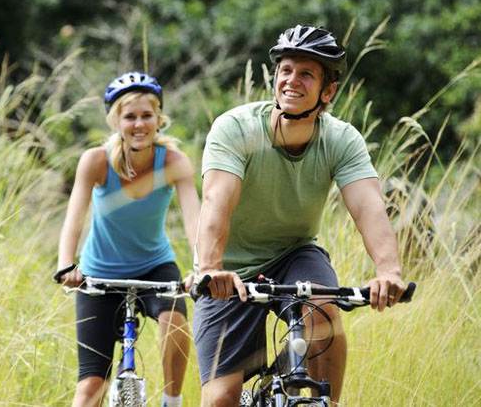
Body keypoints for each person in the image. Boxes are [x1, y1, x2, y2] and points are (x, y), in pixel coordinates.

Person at [192, 25, 407, 406]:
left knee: (324, 307)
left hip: (294, 254)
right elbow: (216, 201)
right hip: (228, 270)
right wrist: (210, 266)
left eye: (306, 73)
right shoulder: (236, 128)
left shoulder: (341, 139)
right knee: (220, 398)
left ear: (328, 91)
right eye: (286, 70)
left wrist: (388, 271)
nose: (292, 80)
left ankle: (326, 403)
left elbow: (368, 207)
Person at [55, 71, 200, 407]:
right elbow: (73, 219)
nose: (139, 124)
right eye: (129, 116)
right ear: (115, 121)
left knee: (175, 323)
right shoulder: (96, 162)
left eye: (146, 116)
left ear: (159, 118)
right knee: (90, 387)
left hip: (154, 267)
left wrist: (201, 267)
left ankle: (172, 401)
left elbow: (195, 220)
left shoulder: (174, 162)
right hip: (99, 273)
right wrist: (66, 265)